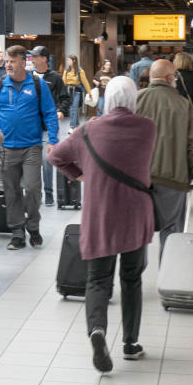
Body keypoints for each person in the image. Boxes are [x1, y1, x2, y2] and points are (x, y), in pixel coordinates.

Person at [49, 76, 156, 368]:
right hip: (136, 214)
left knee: (97, 279)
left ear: (107, 99)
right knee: (132, 279)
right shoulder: (147, 128)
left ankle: (97, 331)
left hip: (101, 215)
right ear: (134, 99)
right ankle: (130, 343)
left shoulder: (88, 131)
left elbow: (56, 157)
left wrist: (81, 175)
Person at [135, 59, 193, 257]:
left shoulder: (135, 100)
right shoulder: (183, 105)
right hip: (173, 179)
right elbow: (192, 143)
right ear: (169, 78)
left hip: (138, 179)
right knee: (171, 231)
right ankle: (167, 281)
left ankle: (132, 284)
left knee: (137, 232)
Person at [0, 46, 59, 251]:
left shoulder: (37, 84)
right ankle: (17, 233)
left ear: (23, 62)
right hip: (7, 148)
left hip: (32, 146)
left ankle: (34, 227)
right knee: (11, 192)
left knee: (32, 188)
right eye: (7, 61)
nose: (8, 65)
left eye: (12, 61)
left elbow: (50, 113)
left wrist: (53, 140)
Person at [29, 46, 69, 206]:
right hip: (31, 128)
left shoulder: (55, 78)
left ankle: (49, 194)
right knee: (32, 162)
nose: (32, 59)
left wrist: (61, 111)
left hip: (48, 127)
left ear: (44, 59)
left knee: (47, 160)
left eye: (36, 56)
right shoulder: (28, 77)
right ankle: (34, 194)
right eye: (31, 56)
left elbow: (65, 98)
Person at [63, 55, 92, 129]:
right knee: (72, 108)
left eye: (69, 60)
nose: (67, 62)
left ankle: (72, 126)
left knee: (73, 108)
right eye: (67, 60)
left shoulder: (80, 71)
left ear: (74, 61)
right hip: (69, 90)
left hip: (77, 91)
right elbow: (64, 82)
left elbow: (85, 82)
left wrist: (89, 93)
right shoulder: (66, 71)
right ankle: (77, 125)